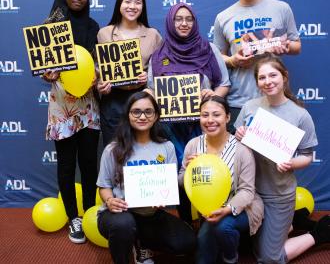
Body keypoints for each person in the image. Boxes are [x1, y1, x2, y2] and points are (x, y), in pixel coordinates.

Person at [235, 53, 330, 263]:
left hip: (279, 194)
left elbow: (307, 156)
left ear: (284, 76)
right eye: (262, 77)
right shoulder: (249, 107)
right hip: (250, 191)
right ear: (257, 81)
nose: (268, 81)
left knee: (268, 258)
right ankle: (294, 221)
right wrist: (239, 135)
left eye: (273, 75)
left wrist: (291, 164)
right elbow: (237, 146)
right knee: (245, 246)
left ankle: (319, 233)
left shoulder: (299, 115)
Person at [97, 92, 196, 264]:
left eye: (148, 111)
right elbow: (103, 186)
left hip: (151, 214)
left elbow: (172, 183)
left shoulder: (167, 147)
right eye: (136, 112)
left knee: (187, 242)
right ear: (128, 115)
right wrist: (110, 200)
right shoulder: (113, 149)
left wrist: (187, 169)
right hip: (120, 213)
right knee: (123, 225)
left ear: (156, 115)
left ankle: (141, 243)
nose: (142, 116)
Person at [213, 0, 301, 133]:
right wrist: (233, 60)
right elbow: (217, 57)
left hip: (274, 98)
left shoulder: (281, 8)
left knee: (273, 161)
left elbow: (296, 46)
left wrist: (283, 48)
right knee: (239, 159)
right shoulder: (223, 17)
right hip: (239, 101)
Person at [42, 0, 100, 243]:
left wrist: (97, 75)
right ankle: (73, 218)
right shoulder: (50, 27)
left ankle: (90, 212)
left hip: (88, 105)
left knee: (89, 163)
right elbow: (43, 68)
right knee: (66, 165)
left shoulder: (93, 26)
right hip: (62, 106)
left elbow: (98, 65)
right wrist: (47, 74)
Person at [178, 95, 264, 264]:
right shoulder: (193, 145)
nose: (210, 120)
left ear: (227, 117)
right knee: (202, 259)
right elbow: (181, 182)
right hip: (210, 212)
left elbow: (247, 191)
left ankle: (230, 258)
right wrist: (188, 170)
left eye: (216, 115)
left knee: (223, 227)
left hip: (243, 208)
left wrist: (226, 210)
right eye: (204, 115)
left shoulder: (242, 150)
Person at [148, 2, 230, 167]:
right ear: (170, 22)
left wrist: (213, 96)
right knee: (176, 172)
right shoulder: (158, 55)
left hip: (204, 123)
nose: (184, 24)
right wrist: (151, 95)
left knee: (203, 169)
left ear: (194, 22)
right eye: (178, 19)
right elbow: (151, 89)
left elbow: (224, 84)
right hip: (169, 128)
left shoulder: (209, 49)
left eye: (189, 19)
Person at [97, 0, 162, 147]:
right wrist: (100, 85)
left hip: (143, 99)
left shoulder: (153, 35)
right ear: (119, 4)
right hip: (112, 101)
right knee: (114, 153)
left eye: (138, 3)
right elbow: (97, 70)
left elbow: (162, 70)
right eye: (127, 2)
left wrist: (148, 79)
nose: (132, 6)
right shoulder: (104, 33)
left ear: (143, 6)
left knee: (142, 152)